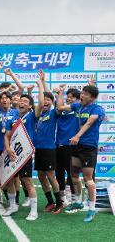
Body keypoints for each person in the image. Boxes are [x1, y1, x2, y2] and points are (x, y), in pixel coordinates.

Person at [57, 85, 105, 222]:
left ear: (93, 97)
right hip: (77, 147)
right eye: (82, 93)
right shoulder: (78, 106)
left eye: (85, 94)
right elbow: (60, 108)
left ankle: (91, 208)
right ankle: (77, 201)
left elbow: (89, 123)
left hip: (88, 148)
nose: (82, 96)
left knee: (88, 180)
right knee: (73, 175)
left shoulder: (97, 109)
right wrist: (60, 93)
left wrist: (77, 136)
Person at [3, 80, 44, 221]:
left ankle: (34, 211)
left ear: (30, 105)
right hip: (12, 154)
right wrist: (8, 149)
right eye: (21, 100)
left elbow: (41, 103)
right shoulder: (12, 117)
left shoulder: (32, 116)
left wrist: (40, 86)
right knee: (9, 180)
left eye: (25, 101)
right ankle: (13, 205)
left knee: (26, 181)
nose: (22, 102)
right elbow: (7, 136)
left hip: (25, 154)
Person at [33, 71, 63, 214]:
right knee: (40, 176)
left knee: (51, 175)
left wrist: (43, 83)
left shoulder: (53, 113)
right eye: (43, 99)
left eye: (48, 100)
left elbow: (55, 102)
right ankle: (50, 201)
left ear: (51, 102)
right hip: (38, 149)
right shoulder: (38, 114)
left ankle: (59, 202)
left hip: (49, 149)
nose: (45, 101)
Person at [55, 87, 80, 205]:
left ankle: (75, 198)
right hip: (58, 145)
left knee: (71, 172)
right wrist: (59, 93)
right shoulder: (63, 110)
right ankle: (62, 196)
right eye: (68, 96)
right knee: (59, 172)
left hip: (71, 145)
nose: (69, 98)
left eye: (72, 97)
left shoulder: (78, 109)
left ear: (78, 99)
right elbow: (58, 106)